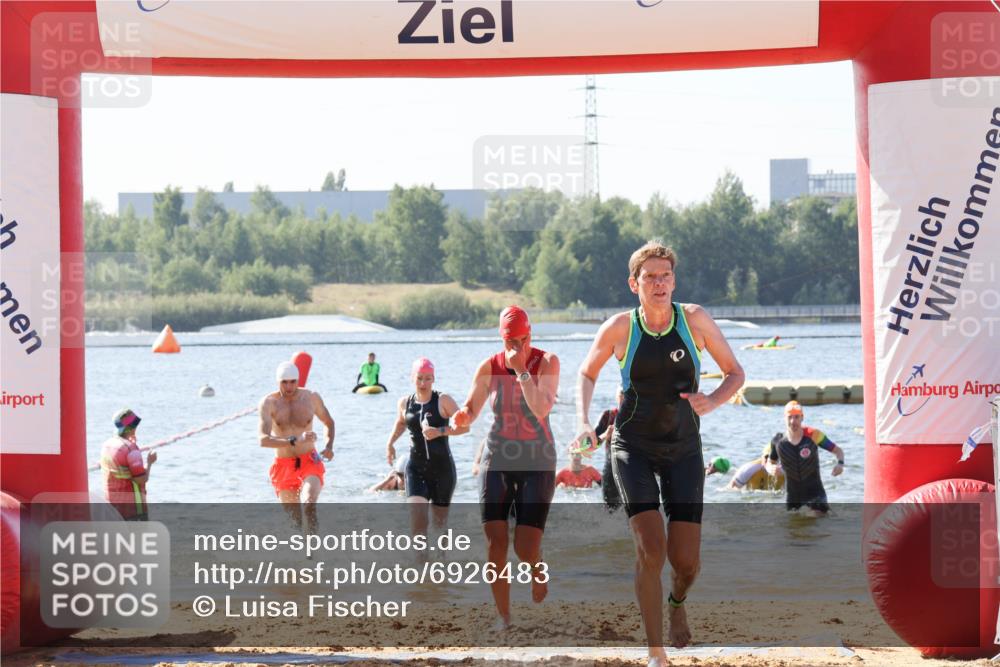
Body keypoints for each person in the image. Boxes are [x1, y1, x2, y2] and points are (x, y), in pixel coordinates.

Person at [574, 240, 745, 664]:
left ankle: (677, 603)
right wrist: (582, 420)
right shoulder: (619, 328)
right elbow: (586, 372)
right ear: (635, 284)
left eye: (665, 275)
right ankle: (655, 652)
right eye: (649, 276)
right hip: (632, 448)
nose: (659, 283)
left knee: (686, 562)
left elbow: (735, 372)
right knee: (651, 548)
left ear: (674, 280)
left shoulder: (695, 320)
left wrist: (715, 399)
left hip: (685, 450)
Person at [452, 305, 559, 629]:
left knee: (525, 547)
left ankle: (536, 565)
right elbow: (471, 407)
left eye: (523, 340)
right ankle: (505, 617)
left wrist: (522, 370)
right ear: (502, 338)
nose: (517, 348)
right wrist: (462, 417)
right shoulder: (489, 366)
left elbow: (541, 408)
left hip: (538, 459)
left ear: (531, 335)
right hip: (497, 456)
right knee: (496, 542)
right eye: (511, 341)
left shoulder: (547, 362)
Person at [384, 357, 467, 538]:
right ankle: (421, 564)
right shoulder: (405, 403)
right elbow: (400, 423)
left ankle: (441, 560)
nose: (423, 383)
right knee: (417, 519)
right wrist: (390, 443)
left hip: (442, 469)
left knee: (439, 524)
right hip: (416, 468)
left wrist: (440, 431)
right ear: (412, 378)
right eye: (419, 378)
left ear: (433, 379)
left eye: (428, 378)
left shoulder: (443, 400)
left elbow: (464, 426)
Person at [259, 361, 335, 533]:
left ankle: (313, 552)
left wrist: (329, 445)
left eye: (292, 381)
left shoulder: (311, 398)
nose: (289, 386)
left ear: (298, 380)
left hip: (309, 460)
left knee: (309, 503)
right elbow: (263, 440)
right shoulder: (268, 403)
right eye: (284, 382)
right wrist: (293, 440)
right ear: (277, 381)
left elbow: (329, 422)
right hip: (283, 465)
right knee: (295, 522)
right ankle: (304, 551)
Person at [765, 400, 844, 515]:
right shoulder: (778, 441)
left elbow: (838, 450)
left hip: (816, 495)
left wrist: (840, 464)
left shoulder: (814, 435)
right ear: (784, 418)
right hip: (792, 497)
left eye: (796, 417)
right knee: (792, 530)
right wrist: (770, 468)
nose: (793, 421)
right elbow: (769, 462)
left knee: (819, 526)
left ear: (802, 417)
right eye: (789, 417)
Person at [101, 409, 156, 521]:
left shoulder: (107, 445)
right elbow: (141, 479)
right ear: (131, 427)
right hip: (133, 510)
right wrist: (150, 462)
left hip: (112, 507)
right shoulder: (131, 449)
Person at [594, 387, 623, 510]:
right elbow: (589, 445)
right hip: (611, 469)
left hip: (635, 469)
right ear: (616, 395)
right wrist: (605, 435)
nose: (624, 396)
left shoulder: (642, 417)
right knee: (610, 512)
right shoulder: (609, 416)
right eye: (621, 393)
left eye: (627, 393)